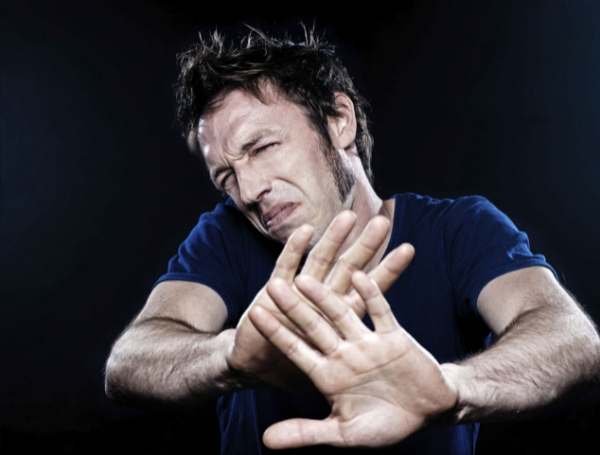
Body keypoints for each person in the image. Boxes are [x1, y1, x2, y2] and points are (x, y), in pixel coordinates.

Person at [104, 27, 600, 454]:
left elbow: (571, 338)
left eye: (263, 146)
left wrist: (454, 390)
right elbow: (129, 361)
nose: (248, 191)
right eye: (226, 177)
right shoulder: (225, 235)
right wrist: (230, 358)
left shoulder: (459, 229)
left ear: (339, 120)